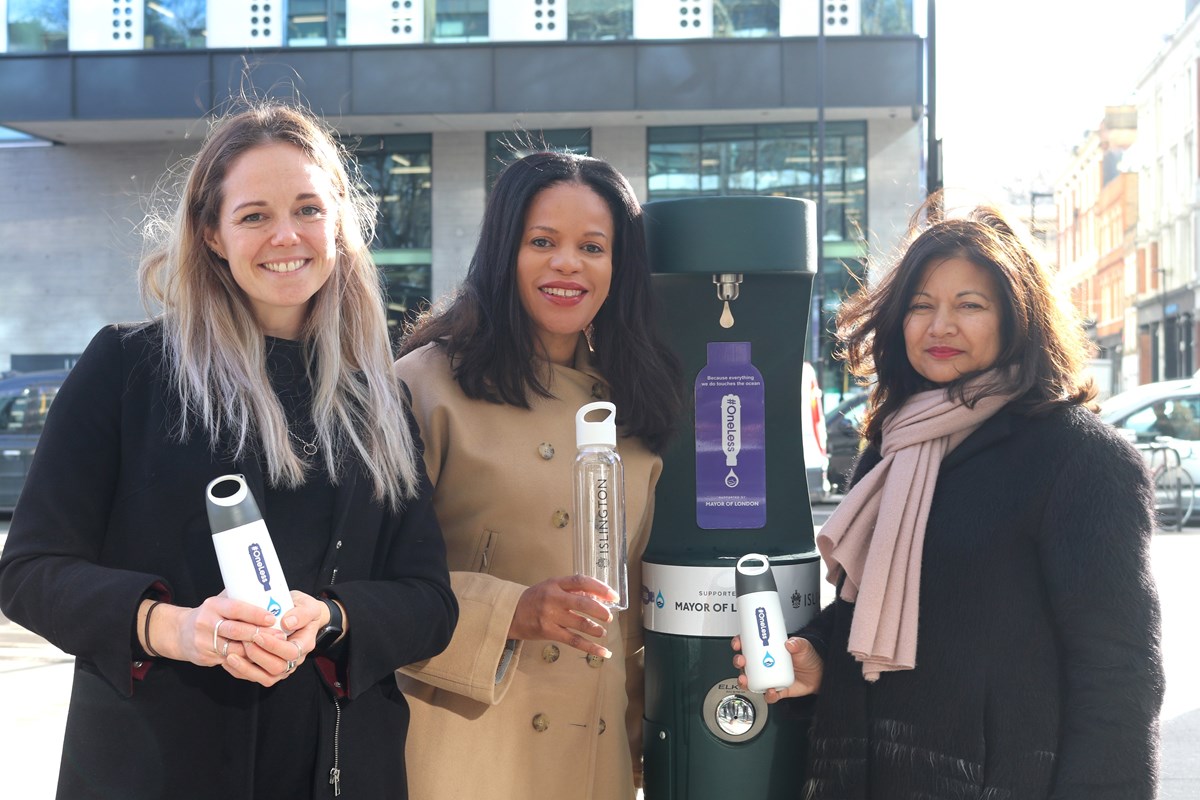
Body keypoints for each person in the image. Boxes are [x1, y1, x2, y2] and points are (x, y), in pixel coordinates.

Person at [0, 101, 458, 800]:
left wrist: (331, 618)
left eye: (308, 208)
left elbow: (429, 602)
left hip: (334, 770)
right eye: (253, 215)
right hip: (156, 769)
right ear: (211, 234)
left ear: (339, 223)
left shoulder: (378, 398)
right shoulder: (128, 370)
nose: (286, 235)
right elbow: (28, 573)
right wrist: (174, 629)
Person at [733, 201, 1164, 799]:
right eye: (920, 306)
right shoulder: (894, 443)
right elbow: (873, 605)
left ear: (1019, 319)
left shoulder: (1081, 459)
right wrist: (819, 655)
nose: (940, 327)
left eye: (970, 305)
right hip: (860, 774)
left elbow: (1119, 673)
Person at [393, 150, 683, 800]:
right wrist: (510, 612)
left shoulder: (635, 409)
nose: (567, 264)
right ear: (505, 252)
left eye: (593, 246)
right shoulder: (424, 387)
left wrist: (637, 758)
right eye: (542, 241)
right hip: (461, 757)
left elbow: (630, 622)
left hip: (593, 762)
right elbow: (369, 587)